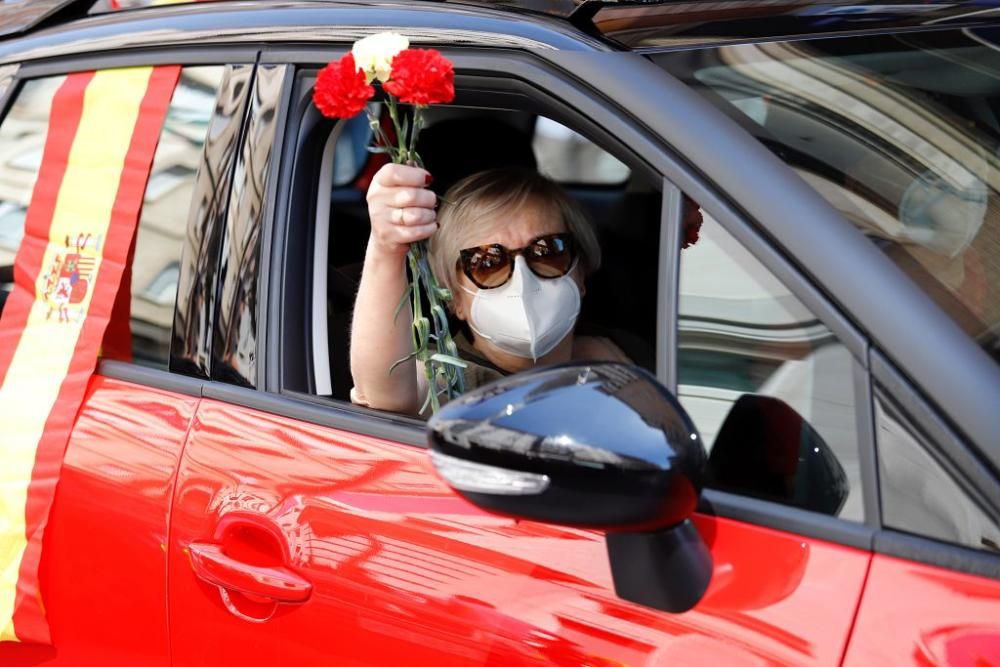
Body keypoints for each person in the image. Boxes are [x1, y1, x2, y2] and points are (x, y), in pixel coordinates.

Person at [349, 163, 628, 415]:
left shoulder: (614, 353)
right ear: (454, 297)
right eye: (486, 262)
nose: (523, 277)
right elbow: (387, 395)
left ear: (581, 274)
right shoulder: (454, 375)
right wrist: (385, 250)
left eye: (547, 251)